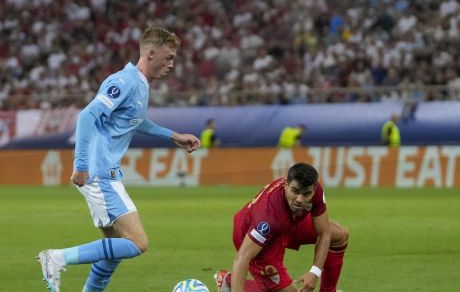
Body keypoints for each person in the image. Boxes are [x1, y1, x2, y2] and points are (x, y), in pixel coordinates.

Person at [37, 25, 201, 292]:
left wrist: (173, 136)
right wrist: (80, 166)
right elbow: (87, 116)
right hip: (99, 172)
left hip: (103, 171)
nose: (172, 64)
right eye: (169, 57)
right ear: (151, 52)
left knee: (114, 252)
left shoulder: (140, 85)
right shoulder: (124, 81)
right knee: (138, 243)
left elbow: (134, 121)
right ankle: (56, 258)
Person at [214, 163, 349, 292]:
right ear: (286, 185)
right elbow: (242, 258)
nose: (300, 200)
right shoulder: (267, 218)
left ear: (314, 190)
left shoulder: (316, 191)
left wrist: (315, 272)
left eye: (306, 194)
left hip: (289, 224)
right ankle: (228, 281)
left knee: (339, 235)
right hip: (253, 235)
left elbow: (324, 233)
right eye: (295, 191)